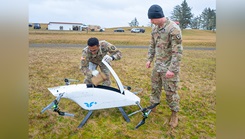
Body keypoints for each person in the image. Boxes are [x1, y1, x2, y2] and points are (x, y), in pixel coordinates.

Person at [146, 4, 183, 128]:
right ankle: (153, 106)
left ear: (159, 16)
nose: (151, 21)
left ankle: (174, 113)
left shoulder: (173, 29)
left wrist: (172, 69)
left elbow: (177, 51)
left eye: (152, 19)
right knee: (155, 87)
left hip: (169, 67)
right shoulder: (155, 29)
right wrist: (149, 59)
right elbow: (152, 45)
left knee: (170, 91)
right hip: (158, 65)